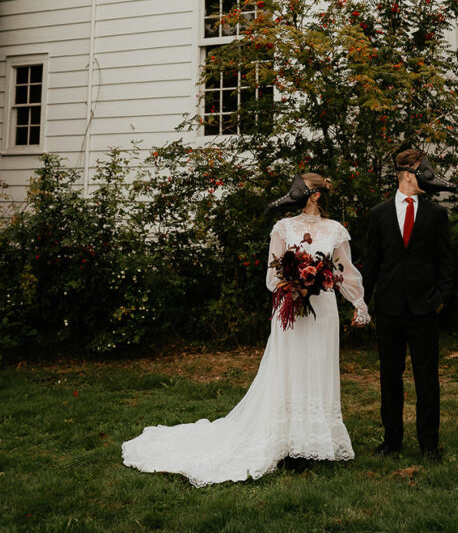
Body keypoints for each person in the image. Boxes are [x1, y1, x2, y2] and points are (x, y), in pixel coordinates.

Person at [122, 172, 370, 486]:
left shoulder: (335, 230)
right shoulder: (283, 227)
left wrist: (358, 303)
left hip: (322, 311)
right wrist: (292, 288)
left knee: (317, 367)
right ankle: (289, 442)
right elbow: (271, 275)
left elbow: (342, 271)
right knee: (290, 368)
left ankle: (315, 441)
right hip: (290, 310)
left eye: (301, 190)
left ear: (316, 195)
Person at [363, 148, 455, 461]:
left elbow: (446, 262)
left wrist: (439, 298)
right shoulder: (378, 214)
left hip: (424, 309)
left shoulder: (435, 214)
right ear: (406, 174)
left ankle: (429, 444)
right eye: (422, 170)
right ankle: (392, 441)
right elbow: (372, 263)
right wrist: (361, 303)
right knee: (390, 378)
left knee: (427, 379)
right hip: (389, 309)